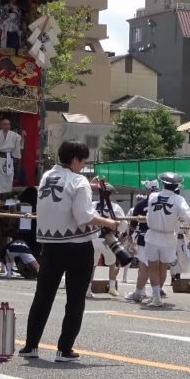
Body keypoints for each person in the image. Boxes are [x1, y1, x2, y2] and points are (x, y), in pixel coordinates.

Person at [20, 140, 119, 362]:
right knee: (75, 299)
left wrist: (88, 186)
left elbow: (64, 194)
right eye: (83, 162)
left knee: (43, 296)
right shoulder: (79, 181)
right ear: (75, 160)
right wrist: (109, 223)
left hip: (50, 245)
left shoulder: (47, 177)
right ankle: (64, 349)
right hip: (77, 245)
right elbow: (84, 216)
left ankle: (30, 345)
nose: (83, 166)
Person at [143, 171, 190, 307]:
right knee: (163, 268)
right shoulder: (179, 199)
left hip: (153, 235)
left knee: (153, 267)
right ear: (177, 186)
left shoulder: (153, 196)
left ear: (163, 184)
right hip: (169, 236)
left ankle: (156, 296)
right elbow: (188, 216)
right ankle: (157, 294)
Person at [88, 179, 127, 298]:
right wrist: (119, 232)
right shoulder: (115, 207)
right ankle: (112, 287)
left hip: (93, 237)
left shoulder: (92, 205)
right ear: (110, 194)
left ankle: (88, 289)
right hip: (108, 239)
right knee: (112, 263)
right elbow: (123, 225)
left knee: (92, 265)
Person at [124, 185, 153, 302]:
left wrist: (129, 236)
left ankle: (139, 292)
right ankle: (156, 292)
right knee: (158, 266)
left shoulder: (140, 205)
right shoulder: (163, 204)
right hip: (164, 237)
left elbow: (132, 224)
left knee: (144, 266)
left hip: (144, 237)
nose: (139, 199)